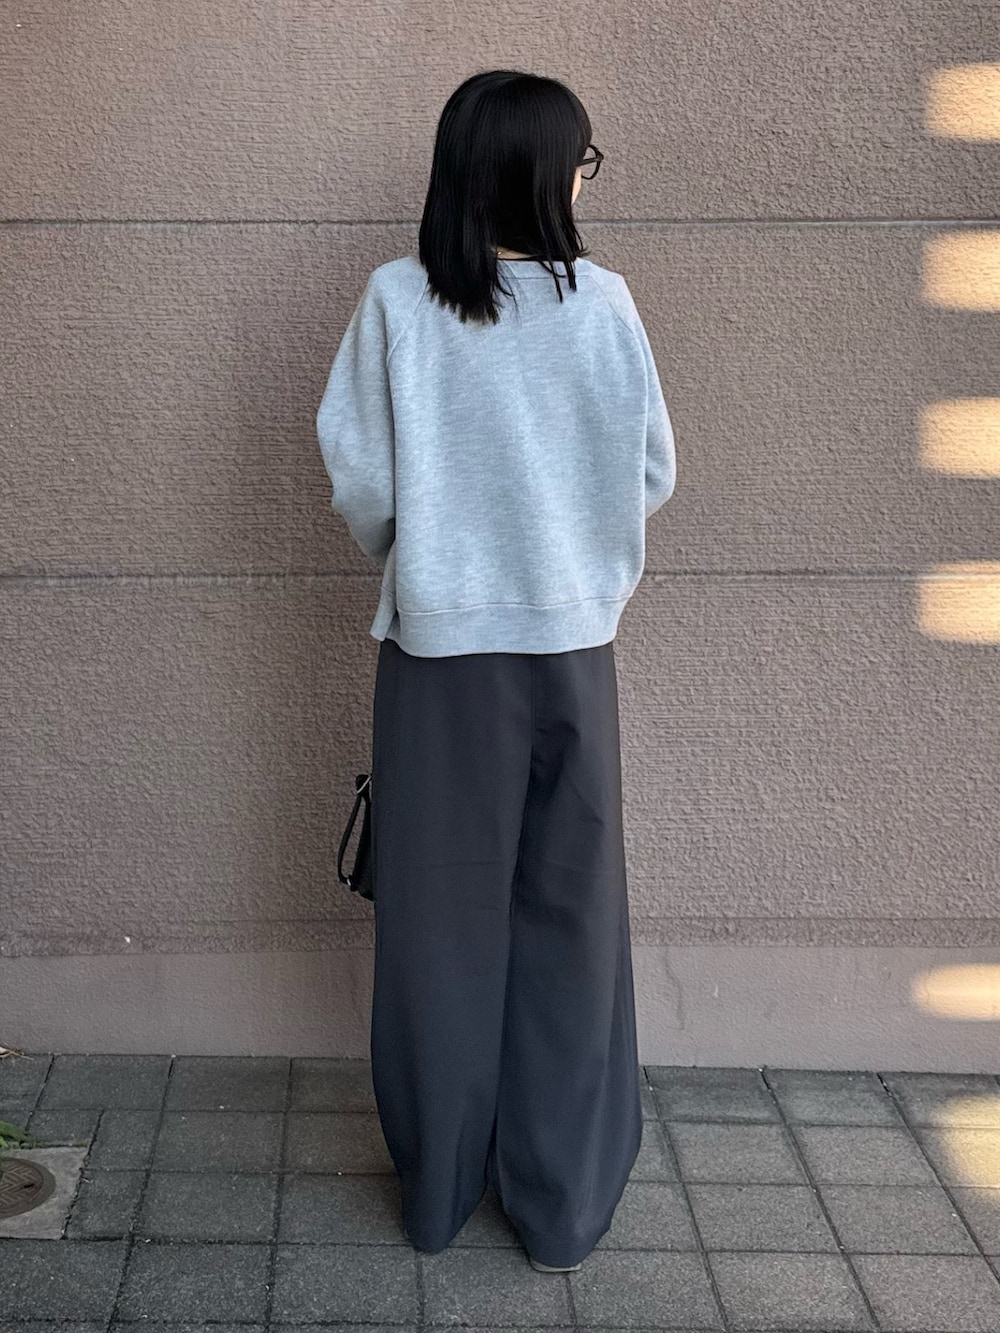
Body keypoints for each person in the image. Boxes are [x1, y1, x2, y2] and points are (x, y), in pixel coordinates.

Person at [316, 68, 676, 1274]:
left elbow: (361, 476)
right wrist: (570, 563)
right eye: (584, 158)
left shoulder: (398, 301)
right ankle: (561, 1205)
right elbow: (651, 472)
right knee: (572, 918)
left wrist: (432, 560)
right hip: (572, 654)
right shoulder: (602, 304)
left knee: (436, 922)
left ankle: (437, 1192)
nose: (586, 178)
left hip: (440, 660)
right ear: (541, 171)